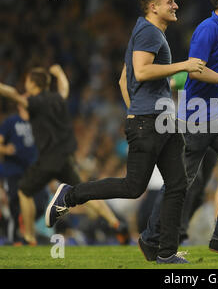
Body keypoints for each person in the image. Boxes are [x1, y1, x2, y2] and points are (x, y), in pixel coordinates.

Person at [45, 0, 204, 264]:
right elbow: (141, 72)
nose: (175, 5)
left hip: (160, 121)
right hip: (150, 123)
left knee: (178, 184)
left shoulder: (147, 32)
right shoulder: (148, 32)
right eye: (170, 1)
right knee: (133, 187)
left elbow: (124, 80)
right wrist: (183, 65)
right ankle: (70, 195)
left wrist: (135, 110)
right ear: (153, 7)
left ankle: (165, 252)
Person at [141, 0, 218, 260]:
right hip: (196, 118)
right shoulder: (208, 29)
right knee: (182, 182)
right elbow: (195, 71)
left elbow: (208, 73)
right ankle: (151, 237)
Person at [0, 65, 127, 245]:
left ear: (32, 84)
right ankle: (115, 223)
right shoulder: (57, 98)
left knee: (23, 191)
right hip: (65, 157)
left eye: (28, 81)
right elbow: (64, 89)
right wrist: (60, 74)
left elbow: (12, 93)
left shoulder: (35, 101)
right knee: (84, 191)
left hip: (47, 159)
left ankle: (29, 236)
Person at [0, 105, 49, 244]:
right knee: (15, 205)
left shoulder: (37, 122)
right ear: (19, 104)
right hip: (13, 171)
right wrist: (5, 149)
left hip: (32, 171)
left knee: (41, 201)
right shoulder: (11, 121)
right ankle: (14, 241)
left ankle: (25, 226)